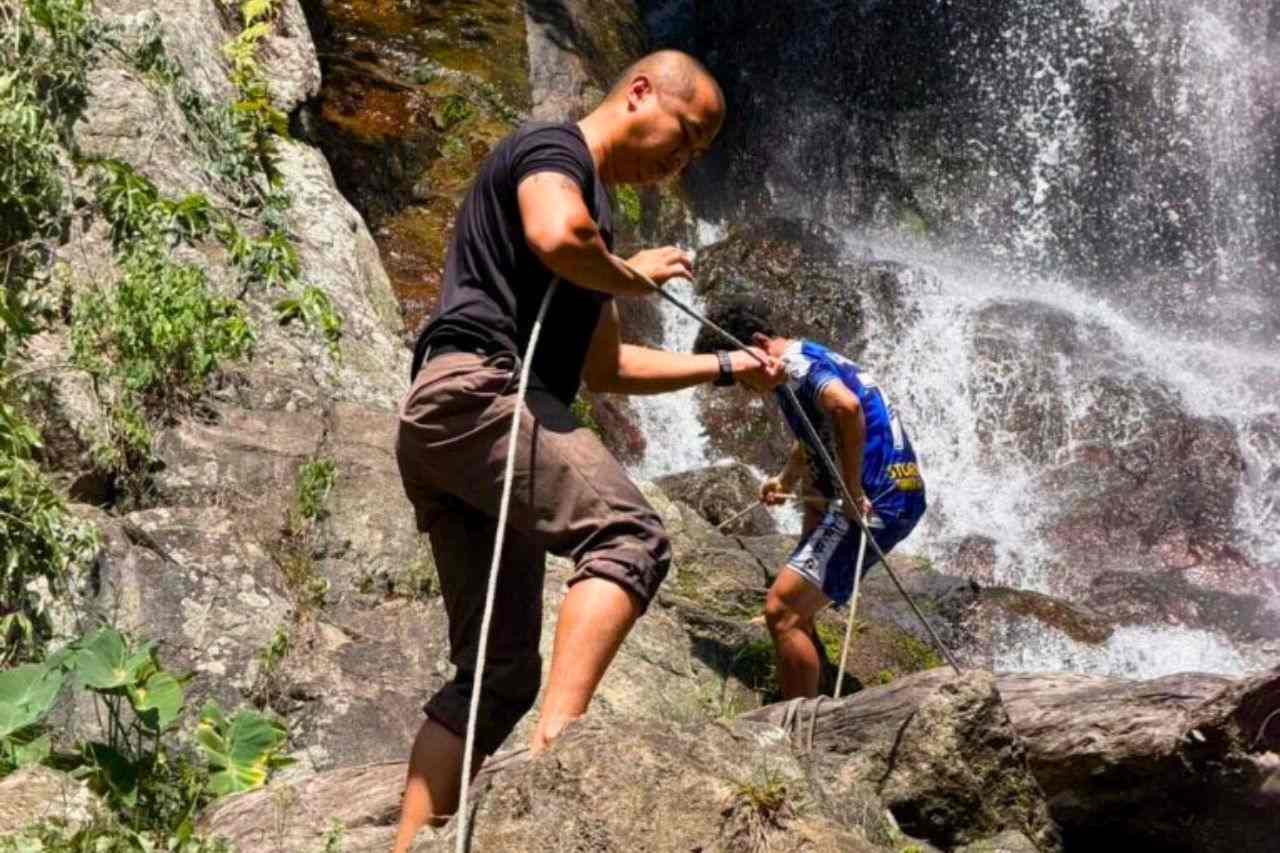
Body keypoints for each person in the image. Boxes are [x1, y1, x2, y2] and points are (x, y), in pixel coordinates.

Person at [391, 51, 784, 850]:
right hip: (482, 394)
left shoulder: (594, 221)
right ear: (640, 92)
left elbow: (607, 369)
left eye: (702, 152)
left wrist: (724, 366)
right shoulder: (553, 151)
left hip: (447, 426)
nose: (686, 157)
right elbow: (552, 231)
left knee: (496, 680)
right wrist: (631, 277)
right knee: (629, 534)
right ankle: (558, 759)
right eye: (689, 132)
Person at [693, 297, 927, 700]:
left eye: (740, 376)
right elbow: (816, 436)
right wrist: (785, 479)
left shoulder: (798, 368)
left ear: (760, 343)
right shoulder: (801, 360)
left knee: (781, 610)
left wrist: (852, 493)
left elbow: (846, 408)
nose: (745, 389)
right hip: (898, 489)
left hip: (878, 499)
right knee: (809, 517)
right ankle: (805, 659)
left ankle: (797, 721)